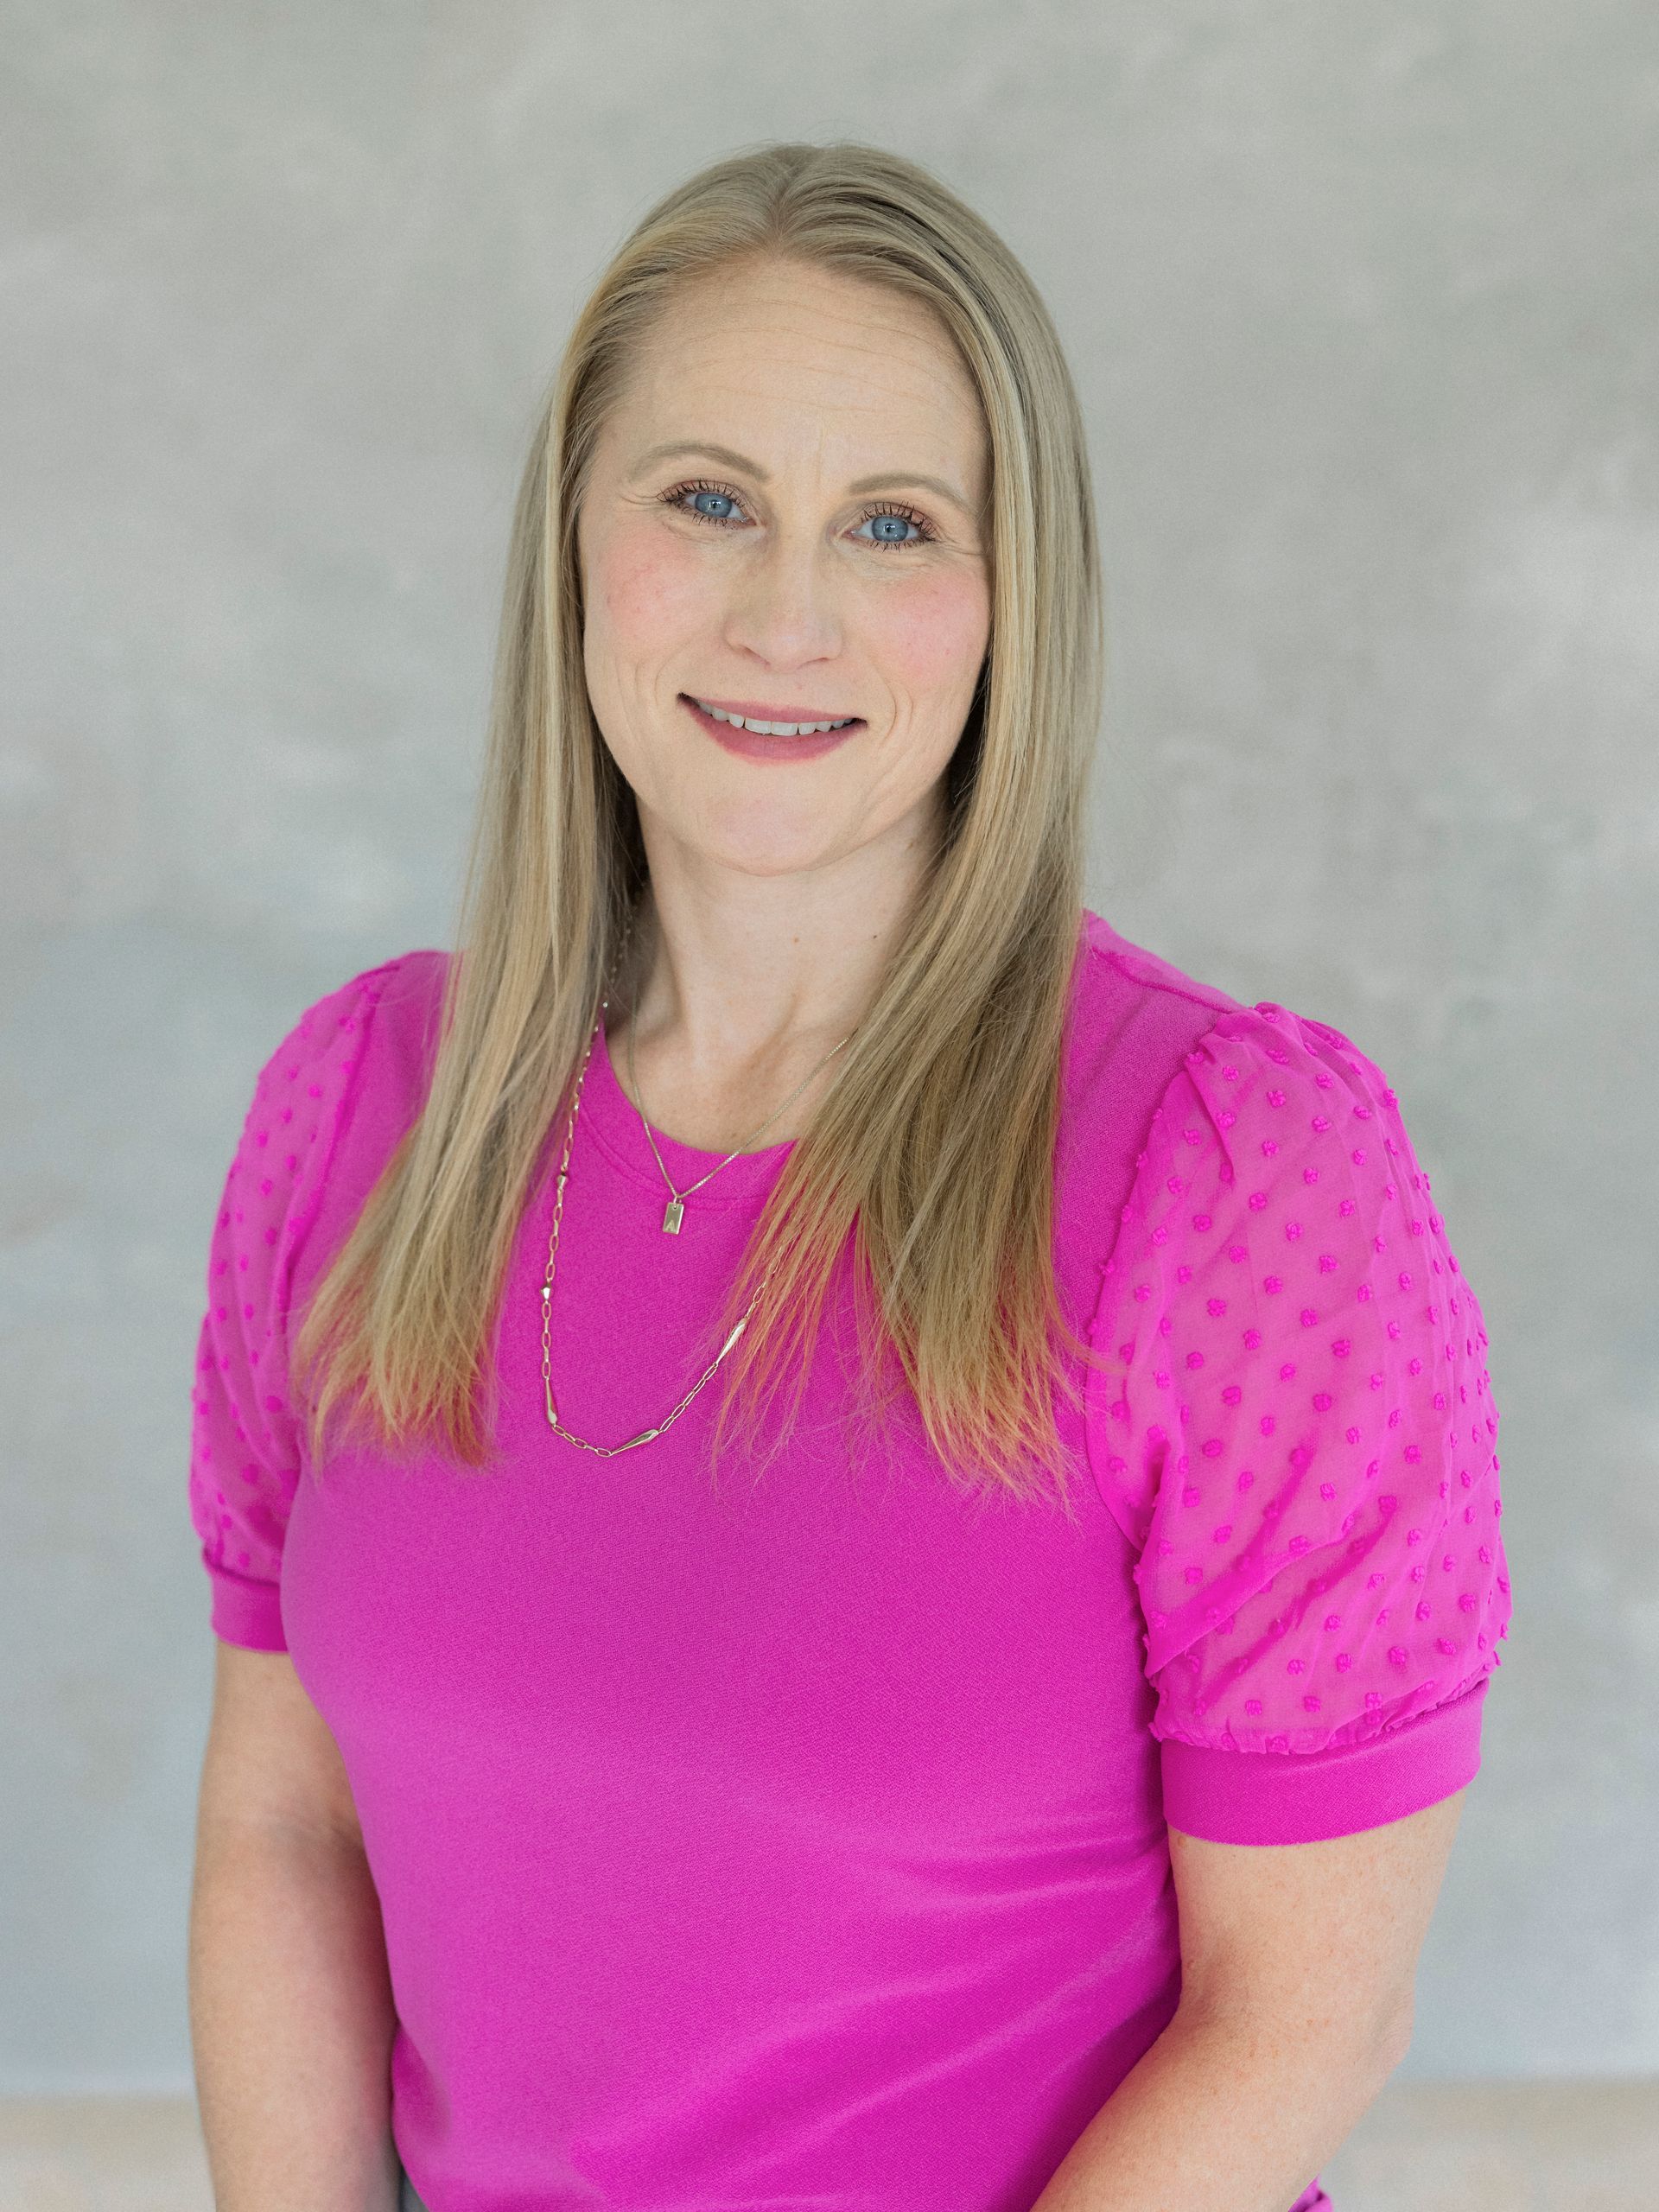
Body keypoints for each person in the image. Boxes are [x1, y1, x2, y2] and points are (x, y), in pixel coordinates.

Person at [186, 141, 1511, 2212]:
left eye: (893, 523)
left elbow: (1305, 2013)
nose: (784, 609)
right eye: (707, 497)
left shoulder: (1236, 1179)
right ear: (575, 545)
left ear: (1012, 603)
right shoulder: (365, 1112)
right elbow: (285, 1827)